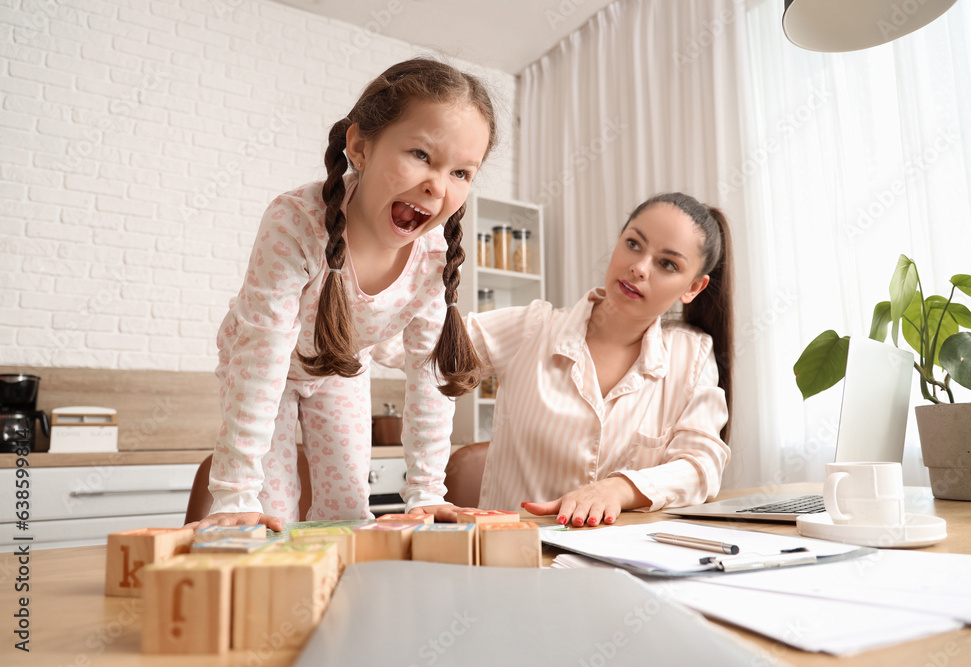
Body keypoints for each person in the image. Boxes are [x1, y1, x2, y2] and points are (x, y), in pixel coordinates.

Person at [192, 58, 496, 532]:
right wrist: (234, 493)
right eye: (421, 154)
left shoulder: (435, 256)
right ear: (360, 146)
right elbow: (261, 356)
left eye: (462, 173)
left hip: (341, 367)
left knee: (349, 510)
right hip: (264, 364)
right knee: (268, 511)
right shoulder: (296, 222)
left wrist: (426, 492)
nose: (437, 184)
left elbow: (428, 376)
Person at [466, 192, 734, 528]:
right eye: (634, 244)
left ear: (693, 287)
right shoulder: (530, 329)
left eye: (667, 264)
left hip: (620, 564)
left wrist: (619, 489)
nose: (638, 267)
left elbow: (702, 465)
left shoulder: (691, 355)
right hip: (515, 559)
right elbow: (412, 347)